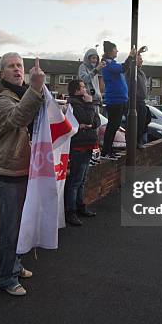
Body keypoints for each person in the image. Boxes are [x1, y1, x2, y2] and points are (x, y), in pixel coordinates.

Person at [0, 52, 45, 296]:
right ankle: (5, 277)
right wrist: (36, 89)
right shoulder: (1, 99)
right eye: (11, 66)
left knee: (22, 225)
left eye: (20, 65)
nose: (17, 69)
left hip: (26, 169)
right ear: (2, 73)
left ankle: (15, 264)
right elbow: (18, 117)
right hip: (8, 171)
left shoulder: (23, 93)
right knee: (10, 229)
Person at [64, 79, 100, 226]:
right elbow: (86, 118)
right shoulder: (74, 103)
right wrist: (89, 106)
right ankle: (70, 212)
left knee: (82, 180)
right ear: (76, 90)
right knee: (75, 181)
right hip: (79, 146)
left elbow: (96, 121)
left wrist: (88, 124)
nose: (85, 89)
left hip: (88, 144)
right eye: (82, 87)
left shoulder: (84, 104)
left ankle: (80, 206)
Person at [101, 41, 135, 160]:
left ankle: (108, 150)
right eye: (116, 49)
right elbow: (123, 68)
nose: (117, 51)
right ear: (110, 51)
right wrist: (130, 56)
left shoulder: (112, 63)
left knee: (115, 126)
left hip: (120, 99)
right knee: (112, 126)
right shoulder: (107, 64)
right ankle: (106, 151)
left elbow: (123, 67)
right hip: (115, 100)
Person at [128, 51, 147, 148]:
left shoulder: (142, 73)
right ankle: (134, 143)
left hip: (142, 101)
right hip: (134, 101)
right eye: (140, 59)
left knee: (142, 123)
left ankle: (139, 141)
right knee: (136, 124)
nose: (142, 61)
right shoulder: (132, 71)